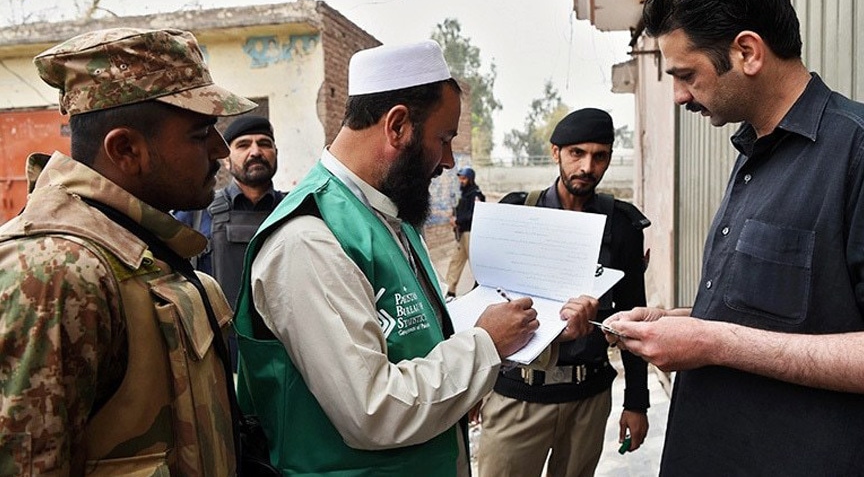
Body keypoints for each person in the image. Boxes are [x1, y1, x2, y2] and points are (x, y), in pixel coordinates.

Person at [233, 40, 598, 476]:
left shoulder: (391, 215)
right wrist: (485, 344)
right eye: (443, 139)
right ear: (398, 126)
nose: (447, 160)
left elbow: (420, 340)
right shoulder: (309, 240)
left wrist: (531, 328)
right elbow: (373, 409)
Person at [604, 0, 864, 475]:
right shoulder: (750, 153)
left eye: (686, 75)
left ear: (747, 52)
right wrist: (676, 321)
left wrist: (710, 340)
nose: (678, 96)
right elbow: (776, 312)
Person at [0, 28, 256, 476]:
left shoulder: (144, 252)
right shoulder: (57, 272)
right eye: (200, 134)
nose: (221, 150)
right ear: (126, 150)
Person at [477, 108, 651, 477]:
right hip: (517, 398)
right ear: (555, 152)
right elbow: (483, 304)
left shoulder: (621, 225)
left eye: (599, 155)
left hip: (586, 401)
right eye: (577, 153)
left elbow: (635, 313)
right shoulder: (517, 211)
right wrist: (473, 384)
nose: (588, 166)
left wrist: (637, 402)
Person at [173, 115, 286, 370]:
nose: (256, 152)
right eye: (244, 145)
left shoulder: (295, 210)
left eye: (264, 144)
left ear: (275, 153)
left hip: (282, 359)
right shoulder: (196, 213)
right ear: (226, 159)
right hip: (216, 359)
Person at [444, 166, 485, 298]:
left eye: (464, 178)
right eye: (460, 178)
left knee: (477, 264)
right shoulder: (463, 194)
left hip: (471, 233)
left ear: (470, 179)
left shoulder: (475, 194)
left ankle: (483, 289)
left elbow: (474, 214)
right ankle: (449, 291)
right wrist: (453, 218)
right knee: (455, 262)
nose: (461, 181)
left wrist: (458, 220)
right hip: (462, 233)